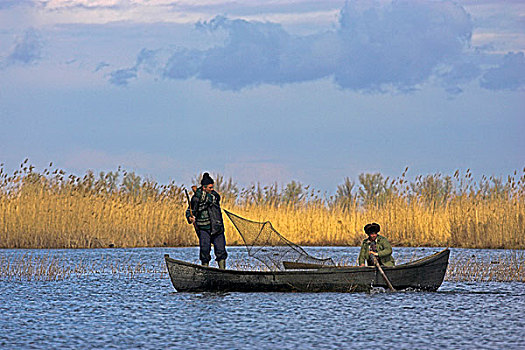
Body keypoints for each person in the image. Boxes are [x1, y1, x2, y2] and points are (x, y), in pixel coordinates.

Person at [186, 173, 228, 269]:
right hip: (203, 229)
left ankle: (222, 271)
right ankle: (205, 270)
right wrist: (190, 217)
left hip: (217, 228)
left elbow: (209, 199)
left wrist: (198, 192)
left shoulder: (214, 196)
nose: (212, 189)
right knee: (204, 251)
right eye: (210, 187)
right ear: (204, 188)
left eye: (212, 187)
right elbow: (190, 210)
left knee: (221, 251)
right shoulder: (196, 198)